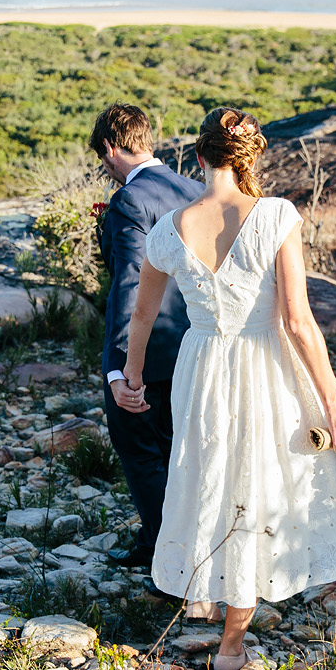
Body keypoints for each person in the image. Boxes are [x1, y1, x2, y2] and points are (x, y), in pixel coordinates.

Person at [117, 107, 336, 670]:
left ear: (199, 159)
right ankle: (232, 642)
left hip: (200, 364)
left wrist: (131, 380)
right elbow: (300, 323)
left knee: (207, 472)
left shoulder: (167, 229)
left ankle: (206, 591)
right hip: (265, 364)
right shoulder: (277, 215)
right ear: (247, 157)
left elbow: (142, 315)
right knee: (257, 482)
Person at [91, 104, 206, 576]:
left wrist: (121, 367)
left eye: (101, 157)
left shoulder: (130, 201)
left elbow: (132, 284)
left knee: (142, 452)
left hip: (151, 348)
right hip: (200, 342)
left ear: (110, 148)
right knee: (184, 452)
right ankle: (162, 542)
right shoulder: (198, 190)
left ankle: (171, 562)